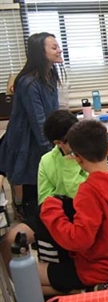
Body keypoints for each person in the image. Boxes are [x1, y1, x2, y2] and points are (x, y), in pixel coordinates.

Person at [39, 120, 108, 295]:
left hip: (97, 269)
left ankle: (88, 291)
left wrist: (50, 210)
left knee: (29, 278)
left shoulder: (89, 191)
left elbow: (78, 240)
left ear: (76, 157)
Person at [0, 110, 87, 269]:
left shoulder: (88, 152)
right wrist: (68, 160)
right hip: (54, 213)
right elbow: (45, 200)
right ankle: (22, 286)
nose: (76, 141)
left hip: (83, 212)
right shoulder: (47, 161)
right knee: (9, 240)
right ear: (58, 142)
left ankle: (63, 279)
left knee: (71, 242)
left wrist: (70, 163)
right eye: (70, 139)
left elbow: (81, 194)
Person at [0, 32, 64, 222]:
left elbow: (52, 113)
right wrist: (52, 152)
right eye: (53, 47)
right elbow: (39, 122)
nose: (59, 49)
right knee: (34, 187)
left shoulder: (49, 75)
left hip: (44, 138)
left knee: (43, 187)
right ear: (40, 53)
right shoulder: (29, 83)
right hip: (28, 142)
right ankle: (33, 229)